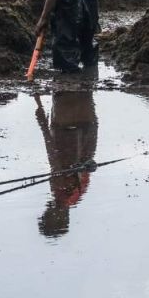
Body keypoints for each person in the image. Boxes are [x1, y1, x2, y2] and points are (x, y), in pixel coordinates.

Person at [34, 91, 98, 238]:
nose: (45, 211)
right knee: (66, 89)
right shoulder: (64, 193)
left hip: (86, 127)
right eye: (47, 215)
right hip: (66, 128)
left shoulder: (75, 196)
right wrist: (43, 126)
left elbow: (86, 162)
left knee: (83, 90)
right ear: (58, 217)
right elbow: (54, 155)